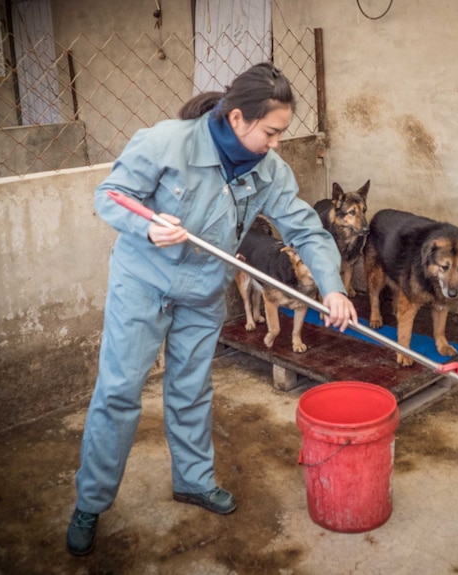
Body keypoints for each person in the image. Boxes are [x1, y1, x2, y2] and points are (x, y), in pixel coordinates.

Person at [66, 62, 357, 556]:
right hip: (144, 282)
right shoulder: (166, 143)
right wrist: (148, 226)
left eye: (282, 133)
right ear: (238, 117)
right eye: (271, 132)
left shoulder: (270, 170)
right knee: (119, 390)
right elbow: (110, 195)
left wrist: (332, 287)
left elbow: (306, 229)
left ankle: (194, 481)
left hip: (202, 290)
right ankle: (90, 502)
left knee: (191, 387)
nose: (277, 143)